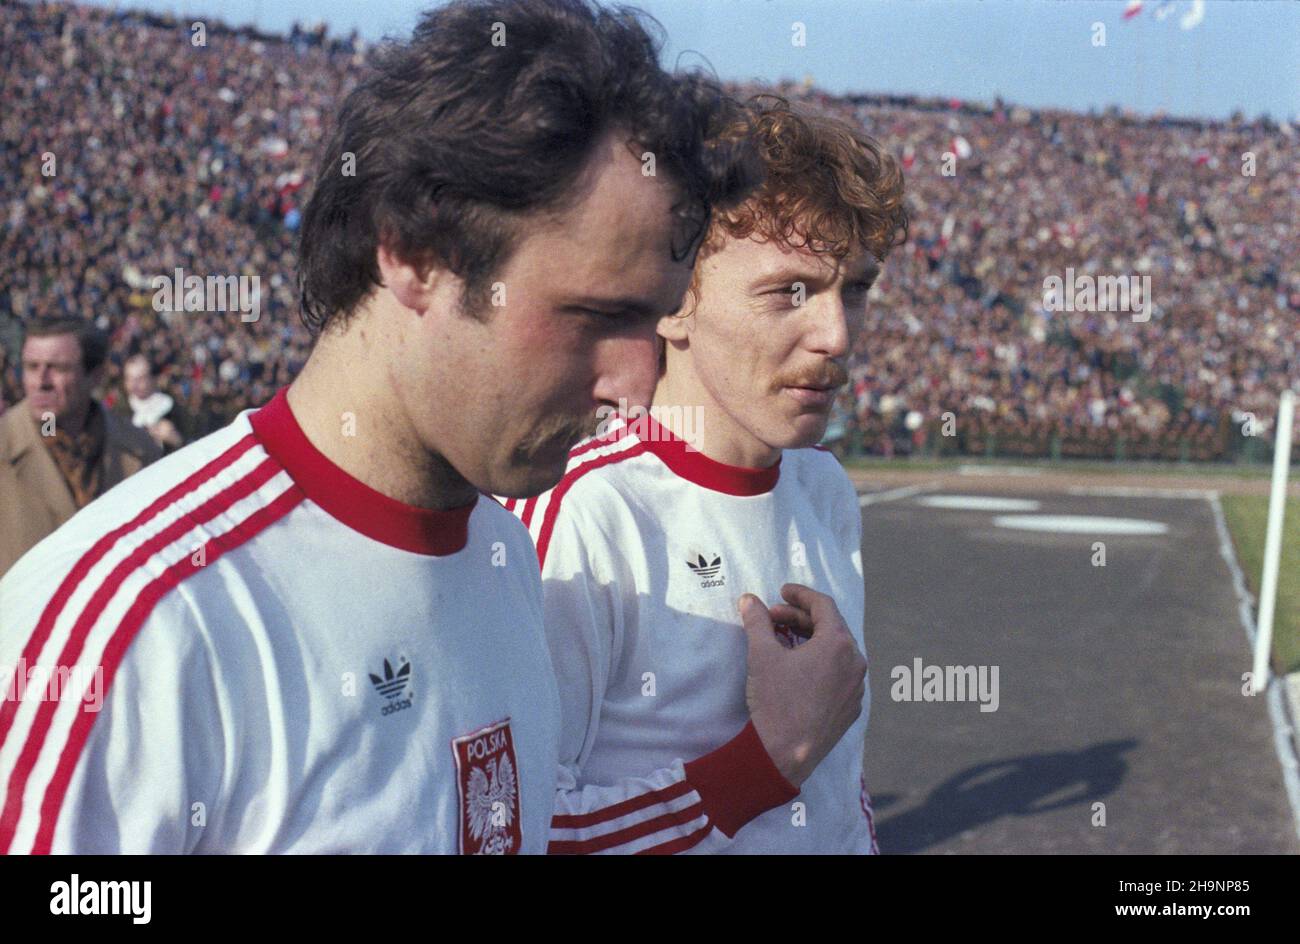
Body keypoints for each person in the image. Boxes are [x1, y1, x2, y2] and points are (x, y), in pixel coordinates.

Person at [0, 0, 758, 854]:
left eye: (653, 326)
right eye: (594, 314)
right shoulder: (136, 626)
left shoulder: (508, 563)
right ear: (415, 254)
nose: (637, 385)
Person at [508, 96, 908, 853]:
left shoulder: (824, 489)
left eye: (854, 288)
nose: (838, 335)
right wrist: (762, 765)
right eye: (789, 291)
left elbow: (838, 787)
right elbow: (518, 832)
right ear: (673, 302)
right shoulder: (591, 509)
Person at [0, 317, 160, 578]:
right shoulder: (5, 448)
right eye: (31, 367)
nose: (41, 381)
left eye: (59, 368)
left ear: (94, 375)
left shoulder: (140, 451)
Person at [117, 354, 188, 453]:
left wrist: (175, 440)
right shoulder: (120, 409)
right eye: (129, 378)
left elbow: (189, 443)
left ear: (152, 378)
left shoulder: (170, 406)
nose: (134, 384)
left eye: (140, 378)